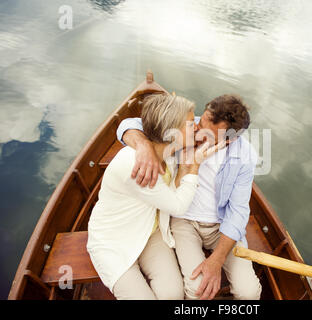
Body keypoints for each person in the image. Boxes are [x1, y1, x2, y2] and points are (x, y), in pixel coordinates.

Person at [117, 94, 262, 300]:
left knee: (249, 292)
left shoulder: (245, 155)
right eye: (201, 122)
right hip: (184, 219)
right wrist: (144, 146)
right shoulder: (187, 126)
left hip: (221, 226)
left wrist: (217, 260)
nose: (198, 132)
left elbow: (238, 211)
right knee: (196, 290)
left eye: (210, 134)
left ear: (230, 139)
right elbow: (128, 124)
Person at [87, 93, 222, 300]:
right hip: (113, 243)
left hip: (150, 232)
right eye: (189, 124)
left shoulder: (170, 152)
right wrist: (194, 166)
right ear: (171, 132)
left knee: (173, 295)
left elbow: (135, 123)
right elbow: (178, 206)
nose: (195, 126)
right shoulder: (137, 166)